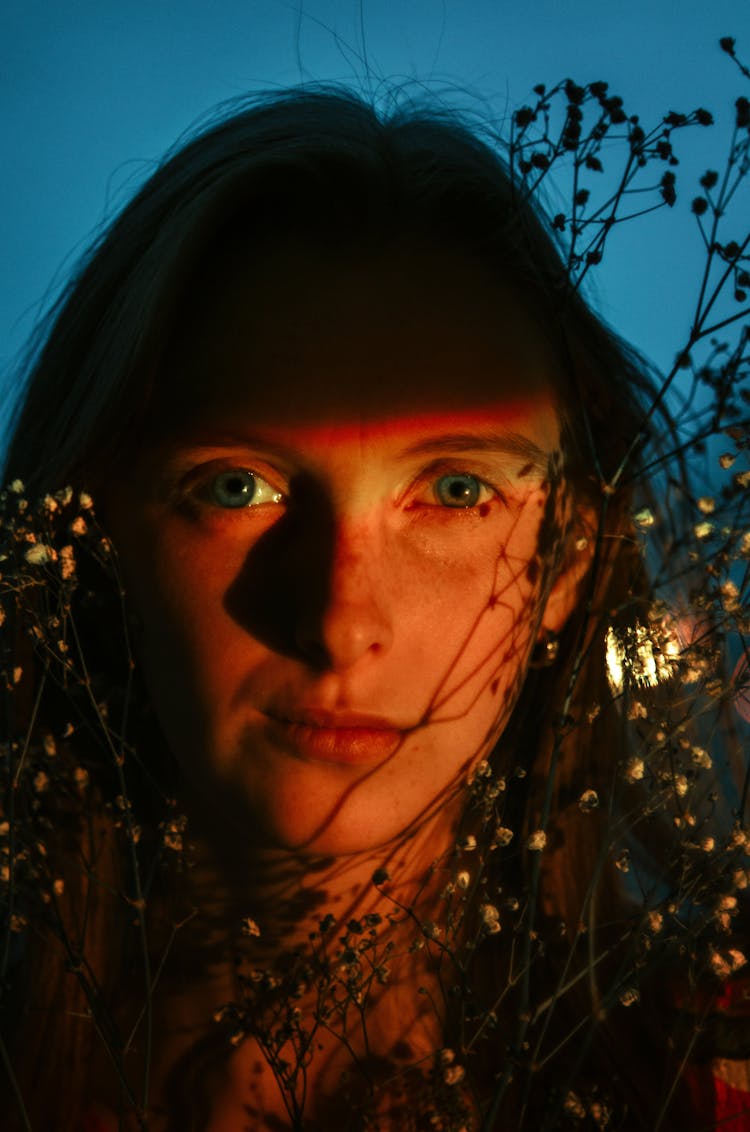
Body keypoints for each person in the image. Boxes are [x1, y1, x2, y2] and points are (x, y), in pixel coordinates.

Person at [0, 86, 747, 1131]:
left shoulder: (711, 1088)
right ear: (94, 530)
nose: (342, 621)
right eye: (236, 487)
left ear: (569, 556)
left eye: (453, 491)